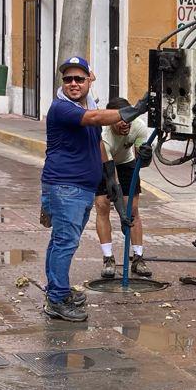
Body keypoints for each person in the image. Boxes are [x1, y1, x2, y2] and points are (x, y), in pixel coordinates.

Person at [40, 57, 150, 321]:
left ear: (89, 79)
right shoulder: (63, 108)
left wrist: (110, 176)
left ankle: (58, 290)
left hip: (78, 187)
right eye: (68, 79)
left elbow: (96, 128)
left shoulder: (83, 101)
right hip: (67, 187)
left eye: (79, 78)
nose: (73, 84)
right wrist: (134, 109)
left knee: (60, 242)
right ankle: (56, 300)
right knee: (65, 243)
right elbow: (96, 117)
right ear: (62, 83)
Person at [94, 97, 155, 279]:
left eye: (127, 118)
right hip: (104, 163)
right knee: (103, 205)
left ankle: (138, 258)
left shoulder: (139, 126)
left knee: (133, 209)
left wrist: (147, 157)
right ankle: (108, 258)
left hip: (127, 160)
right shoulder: (103, 135)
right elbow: (112, 181)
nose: (125, 124)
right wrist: (122, 216)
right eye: (119, 120)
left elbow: (141, 162)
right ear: (110, 119)